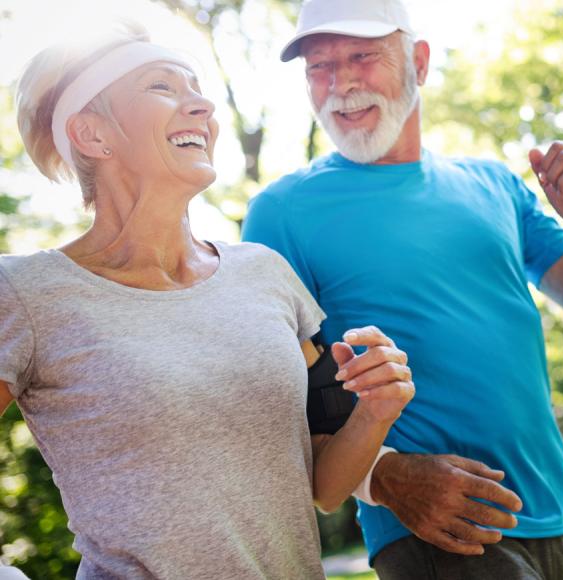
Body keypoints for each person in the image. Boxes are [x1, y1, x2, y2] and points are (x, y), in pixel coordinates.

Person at [241, 0, 563, 577]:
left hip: (558, 510)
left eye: (362, 56)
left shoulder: (496, 185)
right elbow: (279, 408)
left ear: (419, 63)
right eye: (319, 67)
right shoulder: (281, 213)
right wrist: (387, 478)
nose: (341, 83)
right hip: (434, 526)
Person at [0, 22, 414, 579]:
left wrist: (374, 413)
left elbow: (323, 485)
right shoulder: (26, 294)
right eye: (162, 87)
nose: (201, 105)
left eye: (196, 87)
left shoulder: (265, 274)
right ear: (92, 133)